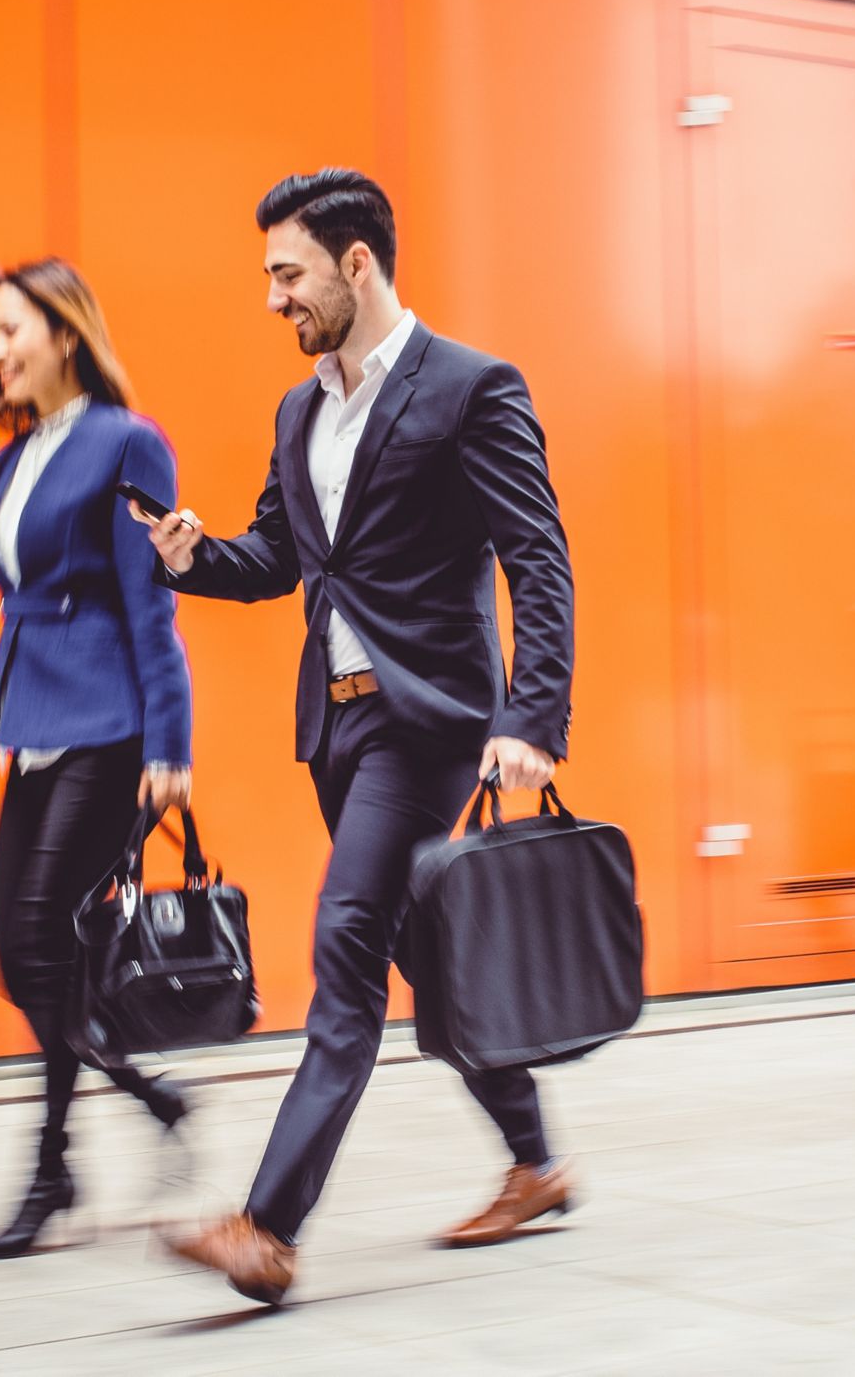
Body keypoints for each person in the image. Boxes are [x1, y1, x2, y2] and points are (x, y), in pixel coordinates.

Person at [136, 169, 576, 1306]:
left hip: (430, 728)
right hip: (337, 731)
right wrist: (194, 559)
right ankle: (536, 1161)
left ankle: (267, 1228)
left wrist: (534, 719)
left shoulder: (473, 388)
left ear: (357, 264)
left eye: (288, 274)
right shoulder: (301, 411)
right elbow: (281, 561)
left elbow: (538, 561)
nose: (274, 298)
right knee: (426, 957)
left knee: (343, 947)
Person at [0, 258, 198, 1257]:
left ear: (66, 336)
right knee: (20, 950)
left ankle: (50, 1167)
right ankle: (148, 1092)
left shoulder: (128, 443)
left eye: (11, 331)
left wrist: (170, 743)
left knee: (46, 937)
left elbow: (149, 607)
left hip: (108, 722)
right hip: (30, 721)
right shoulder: (15, 450)